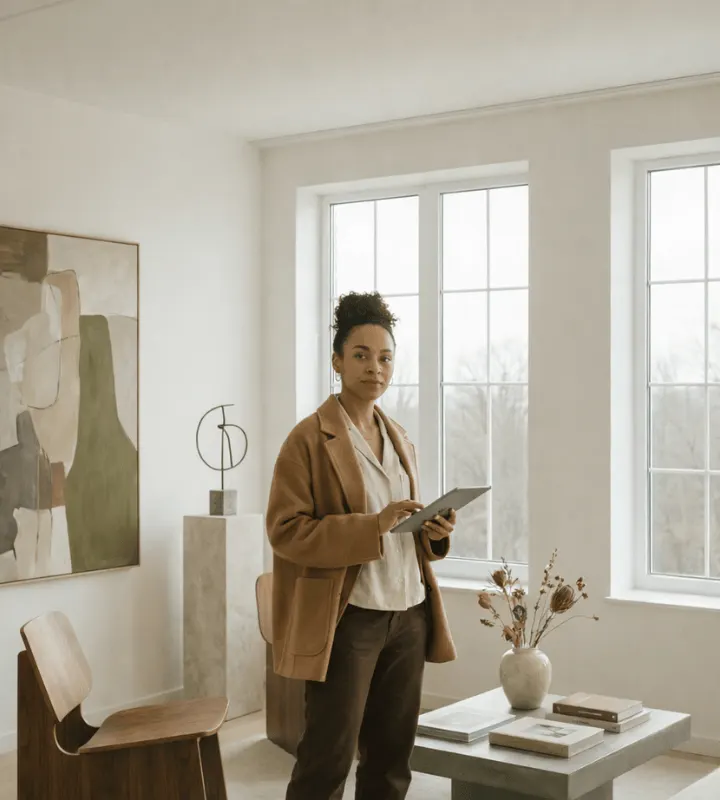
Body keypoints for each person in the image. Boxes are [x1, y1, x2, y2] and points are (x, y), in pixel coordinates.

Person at [266, 291, 457, 800]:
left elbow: (403, 528)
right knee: (327, 759)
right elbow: (285, 531)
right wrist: (371, 527)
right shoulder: (306, 440)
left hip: (409, 614)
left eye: (385, 356)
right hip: (351, 617)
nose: (376, 367)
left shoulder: (399, 437)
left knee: (392, 762)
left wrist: (434, 535)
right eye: (361, 355)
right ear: (337, 361)